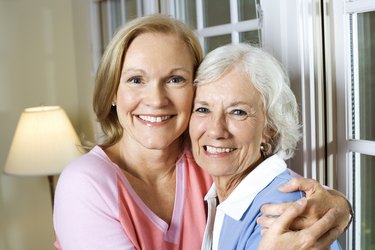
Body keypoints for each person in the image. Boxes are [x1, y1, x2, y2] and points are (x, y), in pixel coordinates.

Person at [53, 14, 351, 249]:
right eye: (135, 80)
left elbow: (275, 187)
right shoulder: (85, 183)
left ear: (195, 89)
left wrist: (339, 207)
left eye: (175, 79)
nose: (156, 100)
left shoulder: (208, 157)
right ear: (113, 91)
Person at [190, 43, 342, 249]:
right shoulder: (225, 195)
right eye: (202, 109)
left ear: (269, 127)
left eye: (238, 112)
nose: (216, 131)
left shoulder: (283, 211)